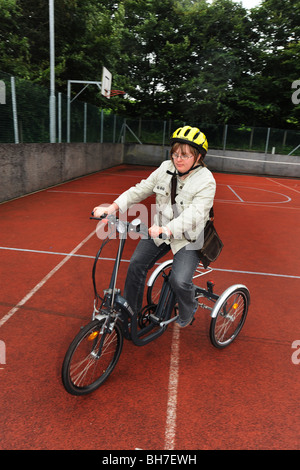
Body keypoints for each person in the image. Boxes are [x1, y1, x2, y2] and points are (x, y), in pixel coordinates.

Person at [93, 125, 216, 327]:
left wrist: (168, 229)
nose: (178, 159)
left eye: (185, 155)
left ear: (199, 157)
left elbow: (195, 213)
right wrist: (113, 207)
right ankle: (130, 313)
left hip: (188, 236)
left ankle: (189, 307)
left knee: (180, 281)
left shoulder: (206, 181)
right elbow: (139, 190)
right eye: (175, 154)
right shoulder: (164, 168)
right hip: (160, 230)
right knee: (136, 265)